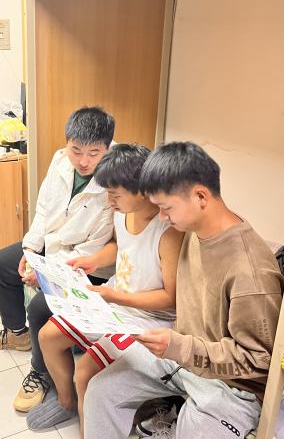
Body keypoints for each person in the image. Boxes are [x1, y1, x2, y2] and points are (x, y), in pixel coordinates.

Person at [83, 142, 284, 438]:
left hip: (230, 385)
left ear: (200, 196)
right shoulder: (191, 231)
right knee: (101, 391)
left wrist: (179, 346)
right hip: (181, 358)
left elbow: (259, 360)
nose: (162, 218)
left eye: (166, 208)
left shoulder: (250, 271)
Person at [29, 143, 184, 432]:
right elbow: (119, 245)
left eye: (115, 194)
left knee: (85, 371)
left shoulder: (168, 232)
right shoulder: (123, 212)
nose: (109, 200)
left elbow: (170, 298)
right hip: (114, 301)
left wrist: (115, 296)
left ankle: (88, 426)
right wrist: (93, 261)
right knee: (48, 336)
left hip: (148, 318)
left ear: (142, 189)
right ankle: (67, 402)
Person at [0, 107, 116, 412]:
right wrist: (30, 250)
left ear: (107, 148)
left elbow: (94, 246)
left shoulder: (113, 180)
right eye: (76, 150)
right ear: (67, 143)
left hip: (86, 263)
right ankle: (17, 334)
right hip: (53, 245)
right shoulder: (59, 160)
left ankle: (40, 372)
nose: (83, 161)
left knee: (41, 305)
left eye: (93, 153)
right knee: (1, 264)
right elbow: (43, 210)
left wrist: (46, 273)